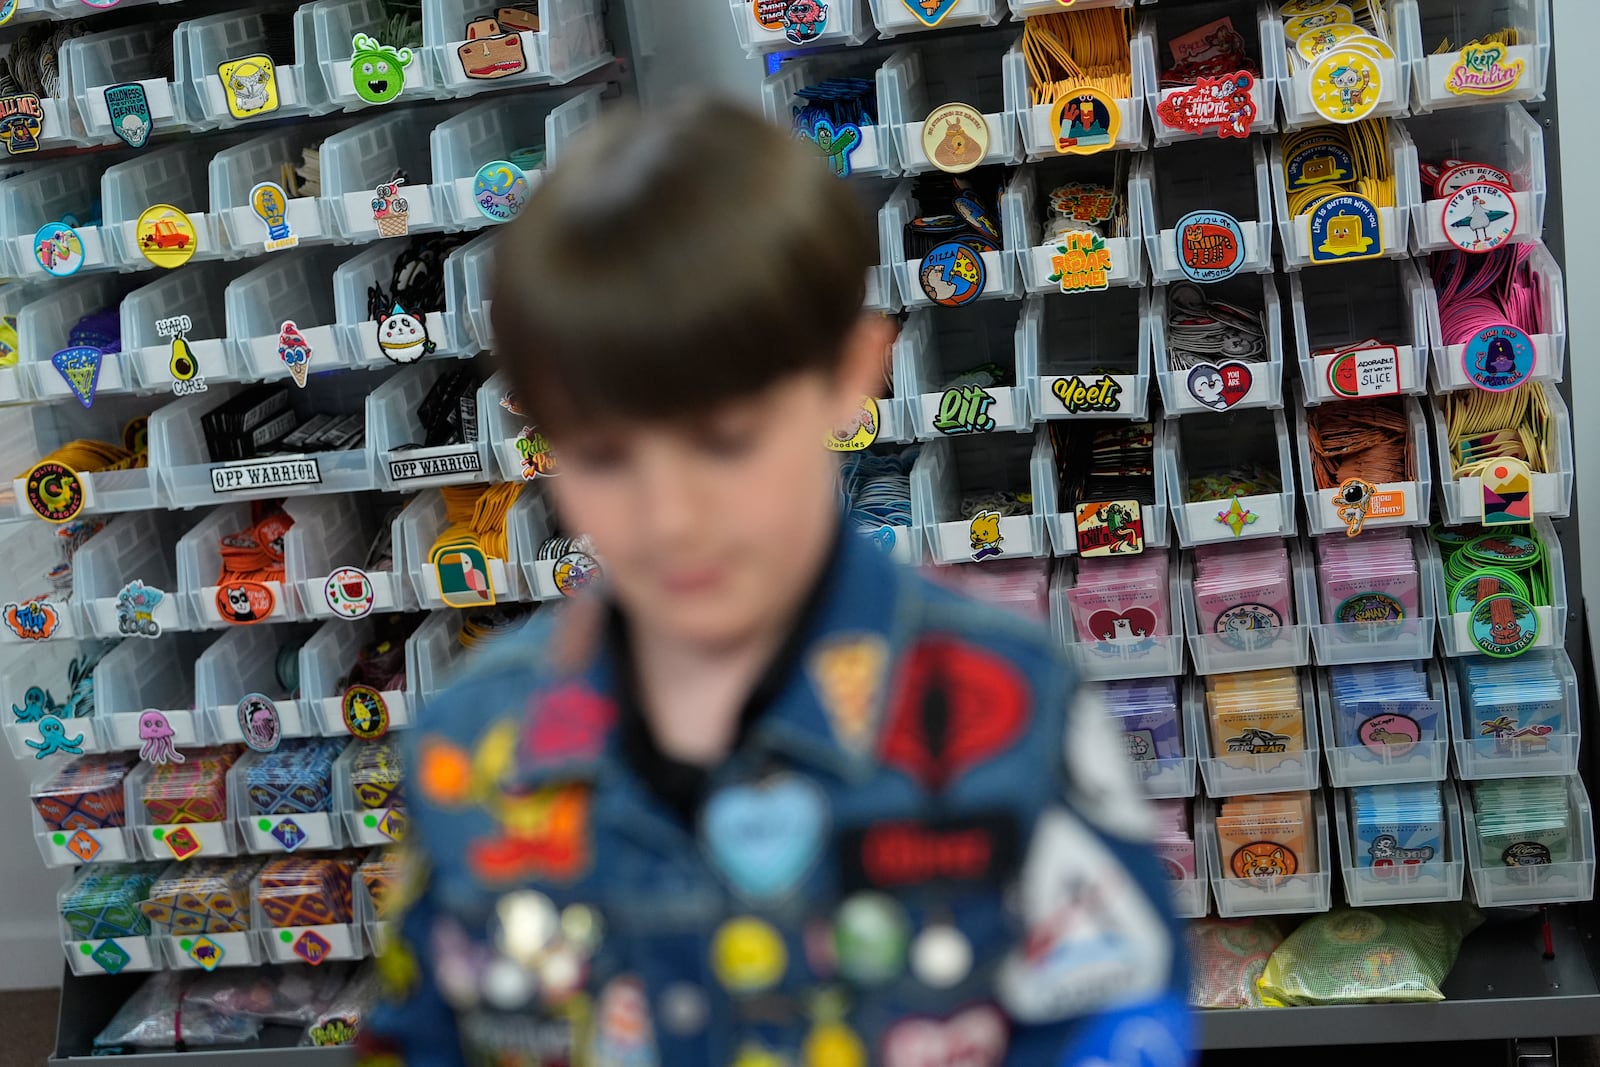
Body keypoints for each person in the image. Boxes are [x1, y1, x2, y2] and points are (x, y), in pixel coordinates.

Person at [359, 96, 1189, 1067]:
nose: (669, 517)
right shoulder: (471, 742)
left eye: (726, 441)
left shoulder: (1010, 707)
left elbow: (1117, 1026)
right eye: (603, 453)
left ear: (852, 374)